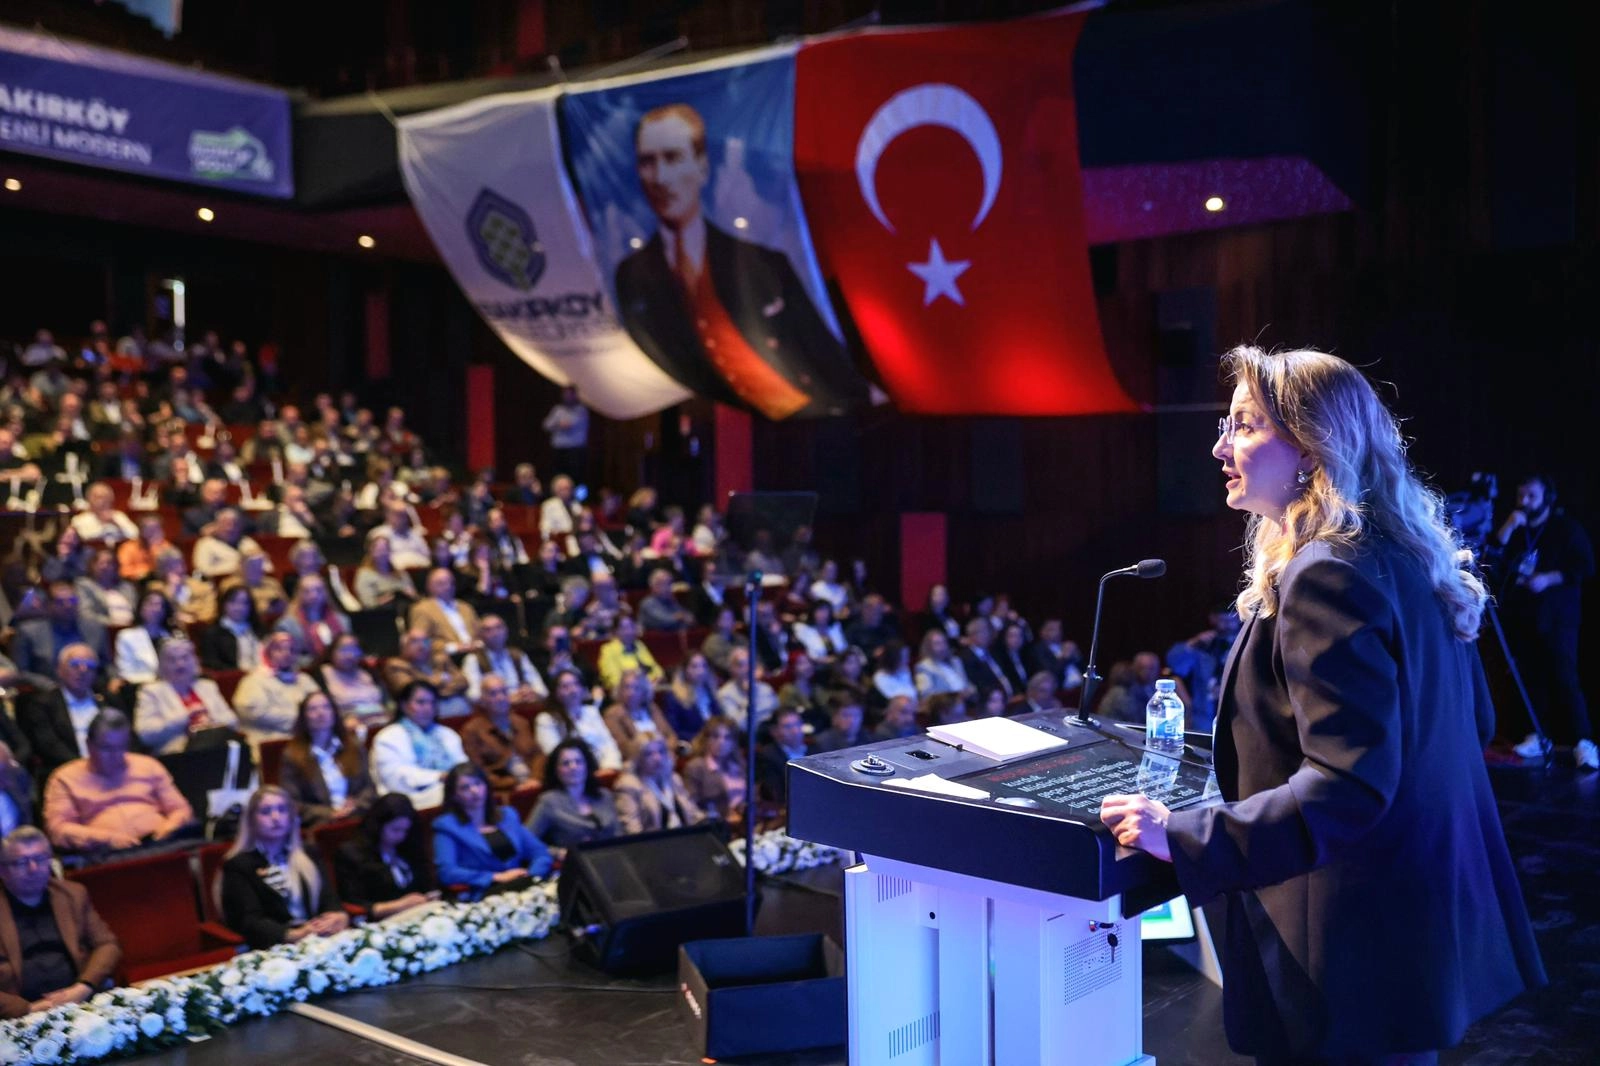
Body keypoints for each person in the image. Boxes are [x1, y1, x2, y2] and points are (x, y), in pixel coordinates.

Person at [1099, 346, 1544, 1065]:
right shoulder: (1404, 558)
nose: (1220, 446)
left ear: (1311, 445)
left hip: (1347, 963)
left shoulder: (1325, 576)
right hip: (1406, 946)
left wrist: (1183, 836)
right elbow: (1478, 726)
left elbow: (1346, 786)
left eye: (1244, 426)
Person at [614, 103, 861, 419]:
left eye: (673, 158)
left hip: (805, 416)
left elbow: (828, 362)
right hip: (714, 418)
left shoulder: (764, 264)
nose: (660, 177)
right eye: (648, 162)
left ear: (702, 167)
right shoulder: (630, 277)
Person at [1487, 473, 1595, 767]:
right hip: (1525, 617)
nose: (1525, 501)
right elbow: (1492, 558)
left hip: (1558, 617)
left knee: (1564, 678)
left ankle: (1583, 742)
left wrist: (1549, 578)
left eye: (1532, 496)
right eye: (1522, 495)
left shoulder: (1565, 529)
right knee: (1531, 679)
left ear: (1547, 497)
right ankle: (1538, 734)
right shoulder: (1517, 530)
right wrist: (1509, 526)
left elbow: (1585, 566)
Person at [0, 827, 121, 1019]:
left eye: (40, 859)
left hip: (80, 1002)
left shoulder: (73, 894)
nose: (33, 868)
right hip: (19, 1016)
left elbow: (107, 944)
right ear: (3, 869)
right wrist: (27, 1009)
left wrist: (83, 987)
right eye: (22, 862)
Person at [43, 710, 195, 853]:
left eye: (121, 747)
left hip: (161, 845)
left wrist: (169, 827)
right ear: (89, 745)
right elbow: (58, 829)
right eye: (107, 748)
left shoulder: (148, 765)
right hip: (106, 854)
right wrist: (106, 839)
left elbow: (180, 808)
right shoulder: (64, 778)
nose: (116, 755)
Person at [220, 786, 348, 949]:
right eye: (266, 812)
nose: (275, 817)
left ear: (291, 816)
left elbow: (328, 898)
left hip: (317, 939)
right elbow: (250, 921)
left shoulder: (308, 853)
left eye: (282, 810)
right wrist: (293, 935)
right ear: (252, 820)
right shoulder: (239, 865)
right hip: (273, 946)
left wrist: (338, 915)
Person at [432, 763, 553, 900]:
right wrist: (496, 877)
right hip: (485, 894)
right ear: (454, 795)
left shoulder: (508, 816)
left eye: (478, 783)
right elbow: (447, 872)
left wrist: (531, 876)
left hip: (524, 886)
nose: (474, 791)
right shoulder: (447, 827)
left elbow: (540, 852)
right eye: (465, 788)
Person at [332, 794, 439, 920]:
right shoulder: (352, 853)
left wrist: (430, 896)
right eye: (395, 830)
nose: (401, 836)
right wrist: (399, 905)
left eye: (405, 830)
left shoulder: (409, 845)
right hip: (381, 922)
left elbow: (427, 885)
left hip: (421, 914)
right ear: (378, 825)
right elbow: (354, 903)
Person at [278, 690, 375, 828]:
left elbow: (369, 788)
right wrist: (329, 813)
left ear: (334, 713)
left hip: (357, 816)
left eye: (326, 707)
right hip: (321, 823)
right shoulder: (292, 755)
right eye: (313, 709)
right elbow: (292, 802)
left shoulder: (353, 747)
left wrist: (355, 805)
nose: (320, 713)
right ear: (304, 717)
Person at [370, 680, 467, 809]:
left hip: (449, 789)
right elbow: (396, 779)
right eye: (421, 702)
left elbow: (463, 766)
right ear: (404, 705)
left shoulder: (447, 733)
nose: (428, 708)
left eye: (432, 703)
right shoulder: (388, 736)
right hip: (407, 801)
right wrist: (439, 777)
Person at [133, 638, 239, 754]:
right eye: (172, 660)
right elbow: (146, 735)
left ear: (195, 660)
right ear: (162, 665)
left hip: (215, 747)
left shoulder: (207, 686)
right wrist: (185, 717)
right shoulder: (151, 692)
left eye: (185, 657)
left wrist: (209, 722)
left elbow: (232, 721)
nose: (180, 664)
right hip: (177, 754)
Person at [18, 644, 109, 779]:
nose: (83, 670)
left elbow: (129, 738)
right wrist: (84, 767)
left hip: (111, 770)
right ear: (59, 669)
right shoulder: (42, 704)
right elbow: (48, 746)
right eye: (75, 664)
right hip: (66, 774)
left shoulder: (108, 700)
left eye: (89, 665)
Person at [524, 738, 619, 858]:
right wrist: (558, 853)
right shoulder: (549, 801)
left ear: (587, 765)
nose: (573, 767)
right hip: (577, 865)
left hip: (613, 858)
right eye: (566, 763)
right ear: (556, 770)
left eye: (578, 761)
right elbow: (527, 842)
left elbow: (619, 833)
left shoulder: (604, 795)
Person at [9, 581, 109, 687]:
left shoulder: (95, 629)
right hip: (46, 692)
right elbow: (21, 672)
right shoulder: (28, 632)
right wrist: (50, 687)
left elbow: (106, 665)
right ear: (48, 605)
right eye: (60, 602)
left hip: (90, 689)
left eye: (72, 600)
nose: (68, 605)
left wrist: (114, 679)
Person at [232, 631, 322, 743]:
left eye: (292, 650)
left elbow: (321, 704)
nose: (287, 654)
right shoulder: (253, 680)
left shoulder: (304, 679)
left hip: (305, 737)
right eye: (279, 649)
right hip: (269, 741)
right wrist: (301, 720)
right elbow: (253, 712)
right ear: (268, 652)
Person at [460, 674, 541, 794]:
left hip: (533, 782)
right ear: (483, 700)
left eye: (503, 692)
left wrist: (535, 778)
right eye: (493, 694)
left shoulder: (521, 723)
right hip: (504, 790)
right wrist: (510, 783)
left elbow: (538, 755)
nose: (500, 697)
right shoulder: (472, 730)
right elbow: (477, 770)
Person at [534, 668, 624, 772]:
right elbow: (555, 756)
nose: (573, 690)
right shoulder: (546, 720)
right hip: (573, 773)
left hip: (604, 768)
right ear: (555, 693)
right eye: (565, 686)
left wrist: (609, 767)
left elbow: (608, 743)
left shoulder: (591, 711)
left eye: (576, 684)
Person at [614, 736, 705, 835]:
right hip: (654, 845)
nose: (657, 758)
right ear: (637, 759)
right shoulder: (628, 785)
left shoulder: (673, 778)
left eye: (661, 752)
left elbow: (693, 814)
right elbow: (632, 830)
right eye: (649, 754)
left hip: (687, 837)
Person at [382, 629, 472, 718]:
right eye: (414, 641)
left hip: (458, 707)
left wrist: (435, 688)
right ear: (403, 646)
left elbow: (463, 682)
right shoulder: (396, 665)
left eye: (425, 641)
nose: (421, 646)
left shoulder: (440, 659)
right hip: (422, 712)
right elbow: (410, 691)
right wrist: (441, 681)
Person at [460, 613, 545, 702]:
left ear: (506, 631)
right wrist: (504, 698)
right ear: (481, 635)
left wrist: (532, 692)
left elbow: (541, 689)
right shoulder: (473, 659)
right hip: (492, 710)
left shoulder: (518, 655)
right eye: (488, 630)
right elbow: (473, 695)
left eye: (498, 628)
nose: (495, 633)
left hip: (522, 704)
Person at [319, 632, 389, 737]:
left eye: (354, 649)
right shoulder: (322, 674)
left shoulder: (368, 672)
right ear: (332, 652)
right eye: (344, 649)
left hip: (382, 723)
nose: (349, 654)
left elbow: (387, 703)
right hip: (349, 729)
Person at [602, 667, 679, 761]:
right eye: (627, 687)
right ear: (620, 690)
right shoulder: (613, 714)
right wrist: (657, 751)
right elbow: (624, 748)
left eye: (636, 688)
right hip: (637, 761)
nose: (631, 692)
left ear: (644, 691)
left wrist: (663, 751)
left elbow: (671, 736)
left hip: (662, 756)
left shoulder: (652, 708)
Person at [275, 574, 350, 669]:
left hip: (339, 670)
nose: (313, 595)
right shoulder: (287, 625)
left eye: (318, 590)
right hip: (305, 671)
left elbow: (348, 648)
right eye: (307, 591)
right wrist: (318, 663)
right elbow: (286, 657)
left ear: (325, 593)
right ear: (299, 594)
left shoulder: (342, 621)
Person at [681, 716, 746, 822]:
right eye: (715, 737)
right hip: (717, 826)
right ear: (706, 739)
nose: (721, 742)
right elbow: (692, 807)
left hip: (744, 822)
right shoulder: (696, 767)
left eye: (727, 738)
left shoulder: (739, 764)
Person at [112, 589, 179, 688]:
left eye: (160, 605)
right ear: (141, 608)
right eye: (151, 604)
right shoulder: (127, 636)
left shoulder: (173, 636)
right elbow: (126, 673)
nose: (156, 608)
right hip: (140, 687)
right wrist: (156, 679)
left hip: (172, 686)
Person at [409, 567, 482, 656]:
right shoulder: (422, 609)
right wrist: (452, 647)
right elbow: (421, 641)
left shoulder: (465, 607)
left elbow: (479, 632)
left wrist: (478, 642)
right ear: (429, 586)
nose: (448, 587)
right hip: (447, 656)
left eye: (451, 583)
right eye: (441, 583)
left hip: (476, 651)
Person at [198, 583, 263, 672]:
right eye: (233, 602)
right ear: (224, 605)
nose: (239, 607)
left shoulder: (259, 629)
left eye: (244, 603)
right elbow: (212, 664)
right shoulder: (213, 634)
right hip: (233, 678)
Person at [754, 706, 809, 809]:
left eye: (797, 724)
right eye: (787, 727)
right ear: (774, 731)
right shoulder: (768, 756)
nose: (795, 731)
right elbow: (777, 795)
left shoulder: (815, 749)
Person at [717, 646, 778, 734]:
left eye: (749, 664)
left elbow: (777, 716)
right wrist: (749, 697)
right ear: (731, 669)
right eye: (740, 665)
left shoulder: (765, 688)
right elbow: (738, 726)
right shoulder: (725, 695)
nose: (746, 669)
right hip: (749, 739)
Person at [660, 652, 719, 740]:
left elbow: (719, 720)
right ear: (684, 670)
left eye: (704, 666)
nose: (700, 671)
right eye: (694, 666)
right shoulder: (673, 697)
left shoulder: (710, 692)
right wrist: (703, 739)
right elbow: (674, 731)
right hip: (692, 743)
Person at [596, 615, 664, 692]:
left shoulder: (639, 645)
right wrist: (641, 686)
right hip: (626, 693)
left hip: (650, 689)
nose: (630, 631)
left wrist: (654, 682)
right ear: (616, 631)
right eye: (625, 628)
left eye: (632, 627)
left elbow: (657, 670)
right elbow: (613, 680)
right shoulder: (608, 650)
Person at [354, 534, 419, 610]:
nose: (383, 553)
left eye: (386, 549)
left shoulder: (401, 573)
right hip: (382, 613)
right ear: (371, 552)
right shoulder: (365, 574)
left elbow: (414, 595)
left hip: (407, 608)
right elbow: (368, 603)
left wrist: (410, 594)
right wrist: (390, 597)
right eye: (379, 550)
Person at [542, 385, 589, 480]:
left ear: (575, 395)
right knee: (558, 476)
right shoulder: (557, 410)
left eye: (570, 395)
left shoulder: (581, 411)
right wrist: (558, 424)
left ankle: (576, 495)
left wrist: (568, 425)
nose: (567, 397)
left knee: (576, 477)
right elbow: (546, 425)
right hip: (559, 450)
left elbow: (576, 425)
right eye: (565, 394)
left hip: (575, 450)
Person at [913, 629, 970, 700]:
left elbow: (966, 684)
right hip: (945, 705)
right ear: (929, 647)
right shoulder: (923, 667)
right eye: (937, 644)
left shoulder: (956, 661)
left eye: (944, 642)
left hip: (965, 702)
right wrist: (954, 697)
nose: (942, 647)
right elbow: (926, 695)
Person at [637, 567, 693, 632]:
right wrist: (679, 618)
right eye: (665, 584)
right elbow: (663, 622)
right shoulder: (647, 604)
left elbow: (689, 618)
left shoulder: (671, 602)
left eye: (669, 584)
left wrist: (683, 617)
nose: (669, 588)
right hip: (655, 641)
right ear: (655, 586)